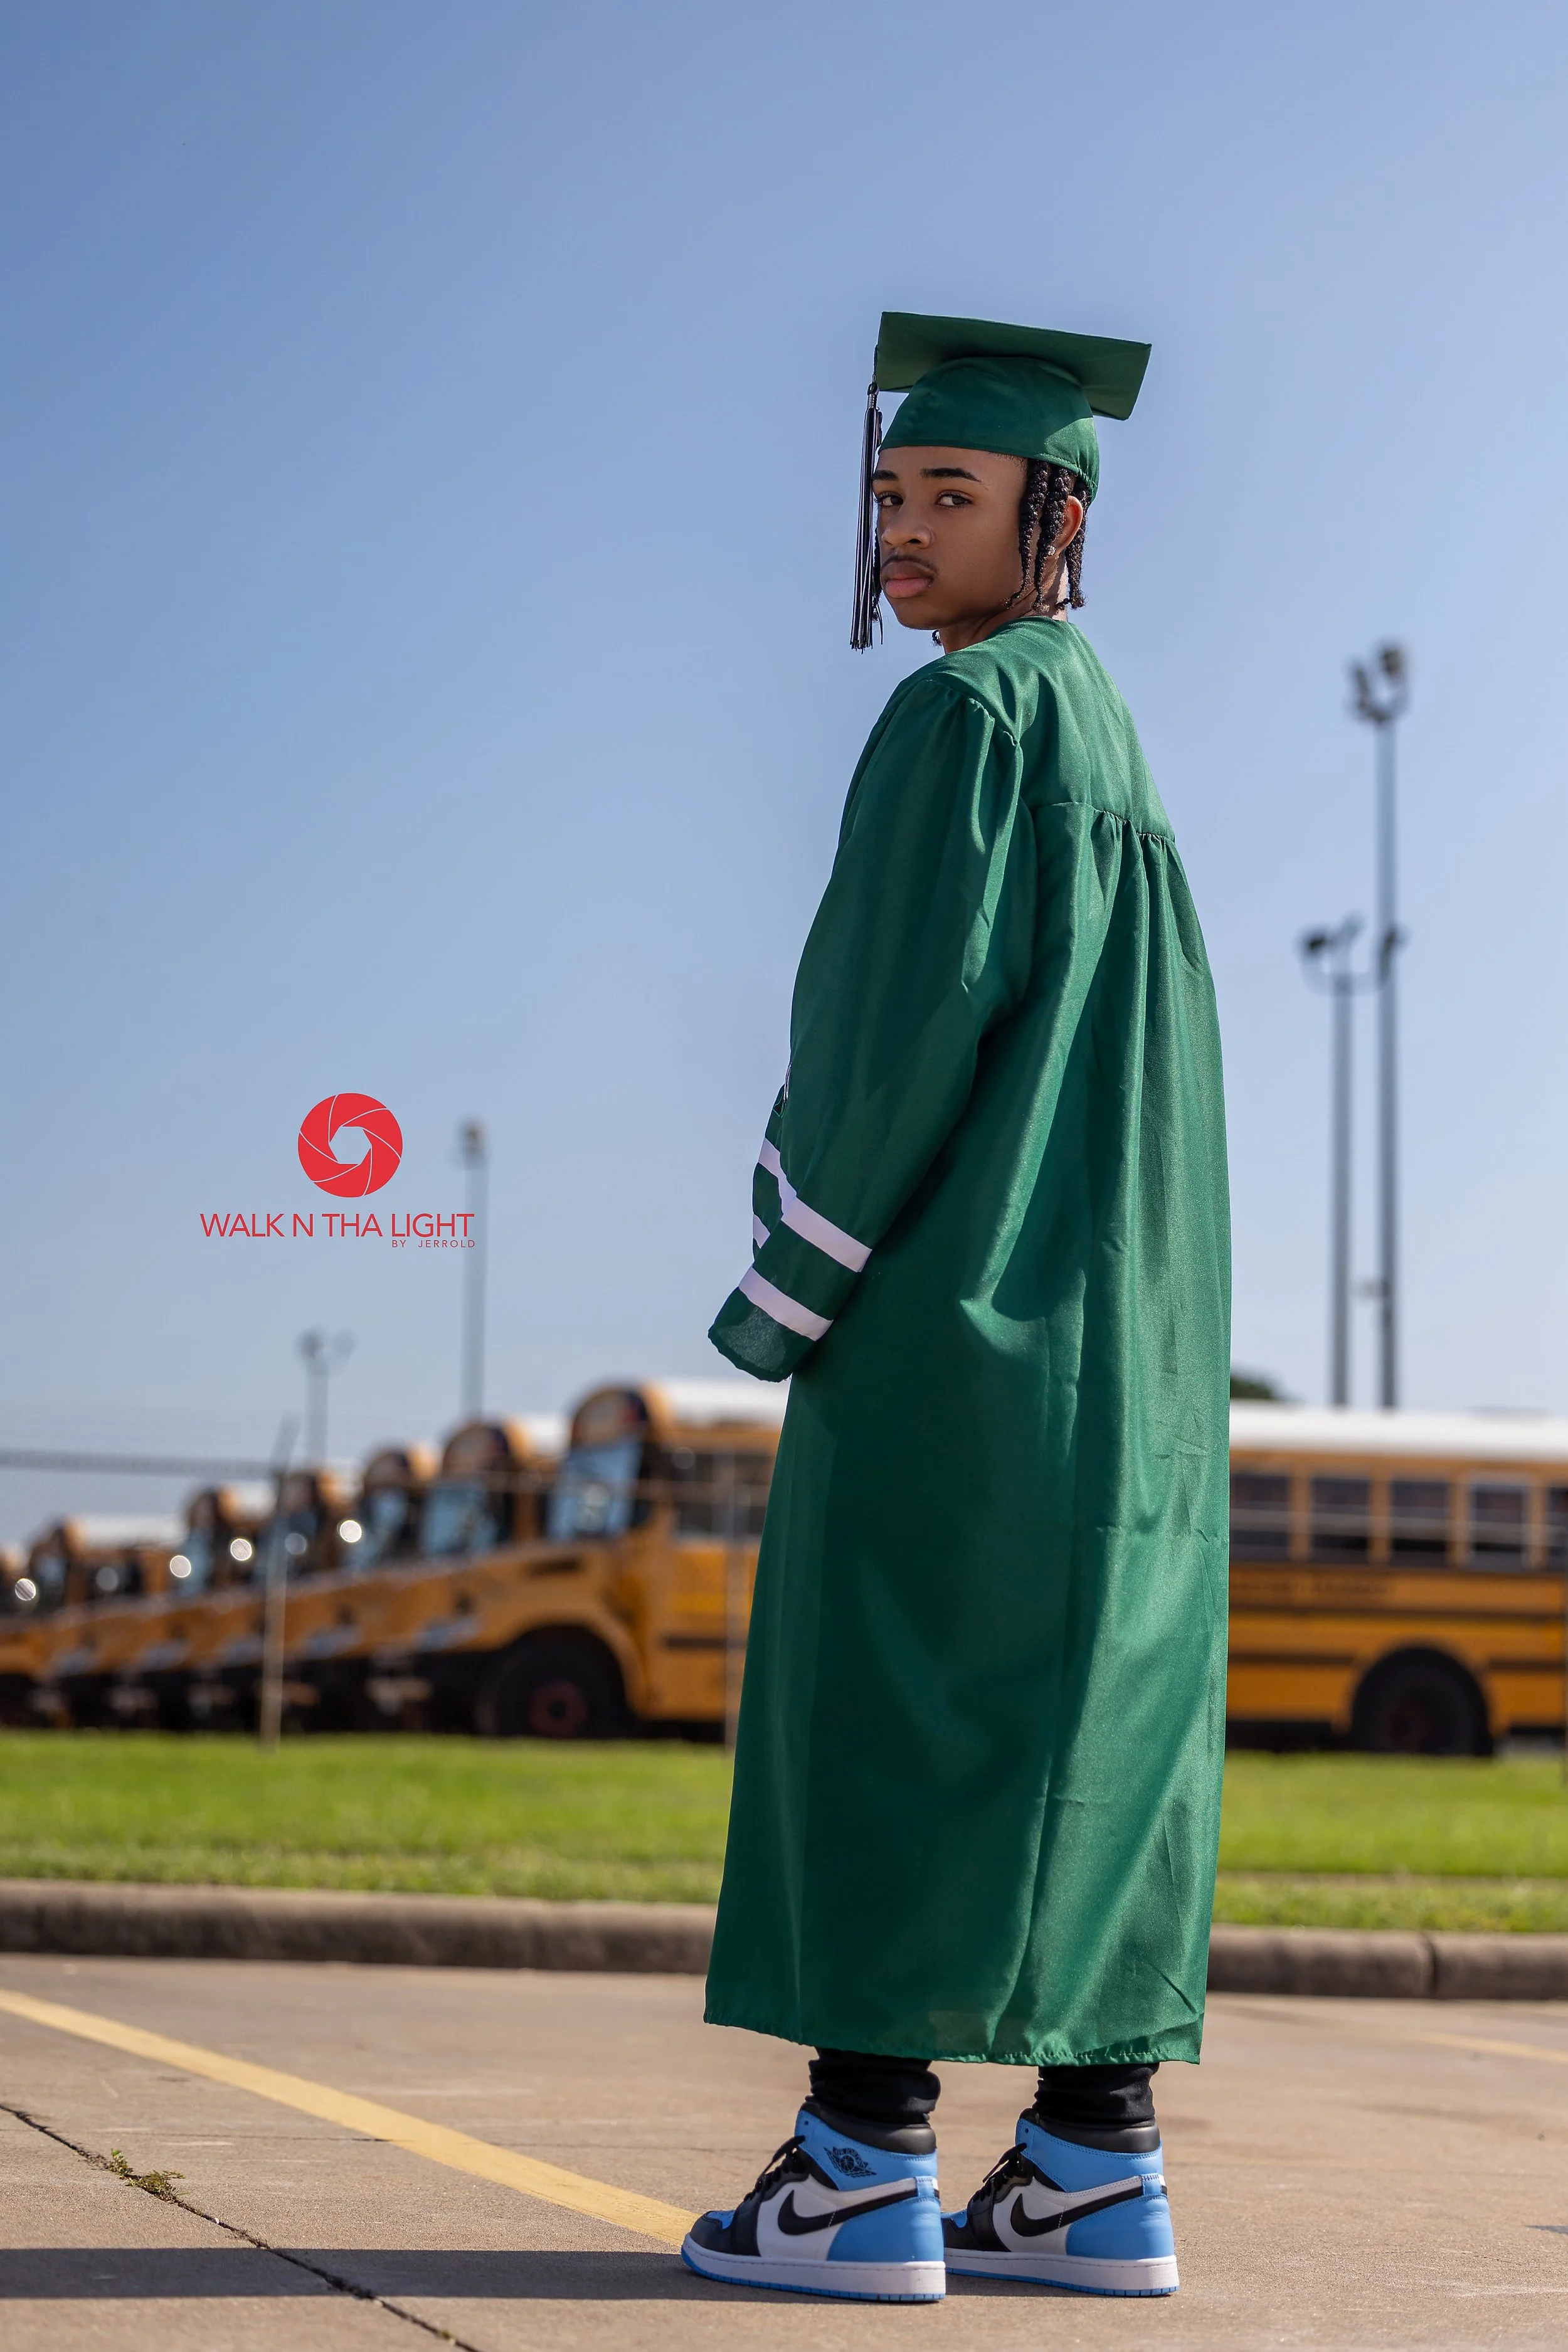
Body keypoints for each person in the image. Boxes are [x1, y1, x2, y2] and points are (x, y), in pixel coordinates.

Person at [682, 312, 1230, 2304]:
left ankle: (859, 2162)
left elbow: (888, 1030)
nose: (905, 528)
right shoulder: (1111, 741)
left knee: (894, 1711)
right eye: (890, 494)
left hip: (959, 1329)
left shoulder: (967, 720)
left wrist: (784, 1288)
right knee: (1091, 1731)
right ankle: (1094, 2164)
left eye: (951, 495)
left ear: (1050, 514)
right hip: (1134, 1360)